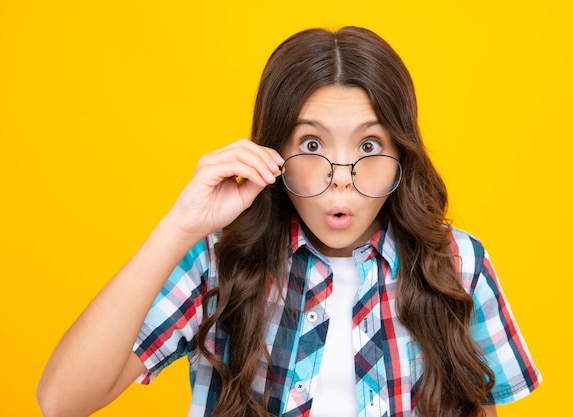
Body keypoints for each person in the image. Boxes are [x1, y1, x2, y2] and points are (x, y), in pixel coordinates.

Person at [37, 26, 541, 417]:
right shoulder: (219, 261)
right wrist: (179, 227)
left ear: (401, 155)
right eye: (312, 145)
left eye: (368, 146)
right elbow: (63, 401)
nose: (340, 179)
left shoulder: (457, 262)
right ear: (272, 154)